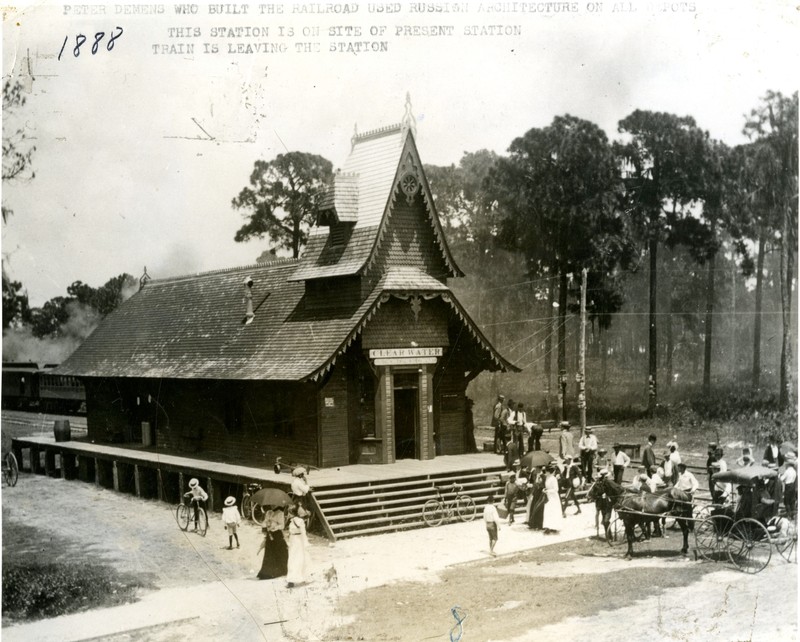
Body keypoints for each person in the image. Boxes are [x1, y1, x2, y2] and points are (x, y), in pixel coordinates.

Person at [258, 506, 288, 579]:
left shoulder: (280, 513)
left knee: (280, 551)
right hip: (270, 534)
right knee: (269, 552)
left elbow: (282, 525)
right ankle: (268, 572)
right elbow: (264, 522)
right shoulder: (268, 512)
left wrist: (275, 527)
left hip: (277, 534)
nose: (272, 505)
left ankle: (281, 570)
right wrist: (266, 523)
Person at [286, 505, 312, 587]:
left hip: (298, 541)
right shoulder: (292, 521)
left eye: (290, 513)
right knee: (297, 558)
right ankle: (295, 578)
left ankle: (293, 579)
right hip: (294, 540)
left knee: (296, 558)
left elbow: (303, 533)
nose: (289, 514)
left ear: (293, 513)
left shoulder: (299, 521)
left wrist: (305, 543)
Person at [542, 463, 564, 534]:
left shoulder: (554, 479)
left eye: (547, 471)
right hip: (548, 496)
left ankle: (554, 526)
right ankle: (548, 527)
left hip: (553, 497)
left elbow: (556, 489)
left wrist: (548, 491)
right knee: (547, 511)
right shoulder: (547, 478)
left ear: (549, 471)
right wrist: (544, 490)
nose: (545, 472)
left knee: (553, 511)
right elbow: (547, 487)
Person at [781, 453, 797, 518]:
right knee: (792, 500)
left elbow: (782, 479)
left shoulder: (787, 471)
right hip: (793, 485)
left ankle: (788, 514)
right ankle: (793, 514)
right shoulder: (794, 471)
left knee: (786, 501)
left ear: (788, 464)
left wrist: (780, 476)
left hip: (788, 486)